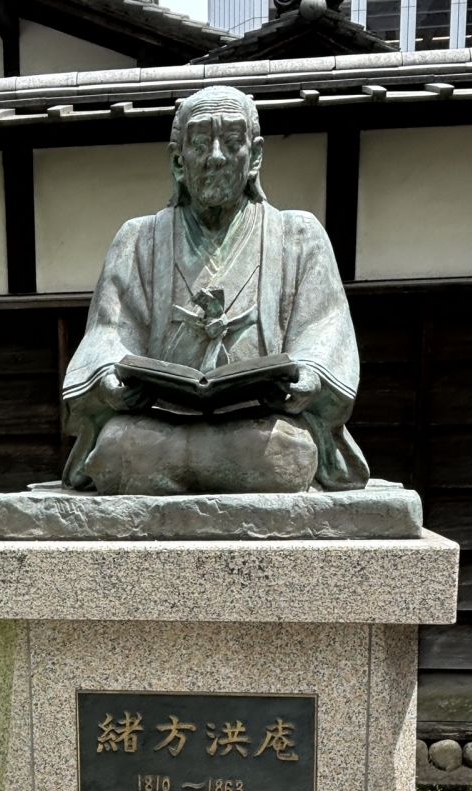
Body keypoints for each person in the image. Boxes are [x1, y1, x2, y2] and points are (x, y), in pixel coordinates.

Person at [61, 85, 369, 496]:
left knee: (285, 450)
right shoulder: (138, 240)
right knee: (116, 445)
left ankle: (186, 469)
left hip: (261, 423)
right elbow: (109, 333)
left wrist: (309, 378)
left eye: (233, 142)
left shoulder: (298, 235)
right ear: (178, 160)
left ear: (254, 156)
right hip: (159, 421)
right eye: (201, 143)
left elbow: (324, 327)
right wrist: (108, 379)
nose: (217, 157)